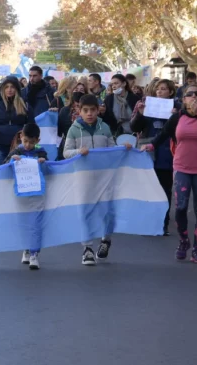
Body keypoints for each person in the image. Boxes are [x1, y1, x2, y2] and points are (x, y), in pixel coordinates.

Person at [146, 84, 197, 263]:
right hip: (181, 167)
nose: (194, 97)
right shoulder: (177, 117)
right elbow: (164, 134)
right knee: (180, 207)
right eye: (190, 94)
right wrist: (151, 145)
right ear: (183, 99)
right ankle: (183, 241)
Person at [63, 94, 126, 265]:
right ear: (79, 111)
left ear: (98, 110)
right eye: (86, 110)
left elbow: (111, 149)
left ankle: (105, 240)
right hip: (83, 177)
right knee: (85, 211)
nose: (89, 113)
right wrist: (78, 152)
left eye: (93, 110)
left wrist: (124, 148)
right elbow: (66, 152)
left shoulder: (104, 127)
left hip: (104, 177)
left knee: (108, 211)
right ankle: (87, 248)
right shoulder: (74, 129)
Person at [131, 80, 179, 235]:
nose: (159, 92)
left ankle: (163, 223)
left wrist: (174, 117)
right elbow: (135, 128)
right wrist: (140, 114)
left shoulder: (177, 109)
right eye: (157, 89)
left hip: (167, 155)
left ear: (170, 92)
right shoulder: (147, 105)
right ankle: (148, 221)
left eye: (163, 89)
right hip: (148, 154)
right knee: (147, 189)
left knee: (165, 190)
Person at [4, 123, 47, 270]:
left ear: (37, 141)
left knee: (35, 223)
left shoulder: (41, 152)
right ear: (21, 137)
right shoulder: (16, 151)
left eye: (32, 142)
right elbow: (5, 168)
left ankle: (34, 253)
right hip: (21, 196)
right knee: (24, 222)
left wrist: (43, 163)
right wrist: (12, 161)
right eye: (25, 141)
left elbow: (49, 169)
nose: (28, 145)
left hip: (37, 195)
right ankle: (26, 249)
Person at [0, 76, 29, 166]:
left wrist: (25, 134)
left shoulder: (25, 104)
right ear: (2, 89)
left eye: (12, 87)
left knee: (18, 174)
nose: (9, 89)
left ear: (17, 89)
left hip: (20, 146)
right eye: (6, 87)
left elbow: (32, 125)